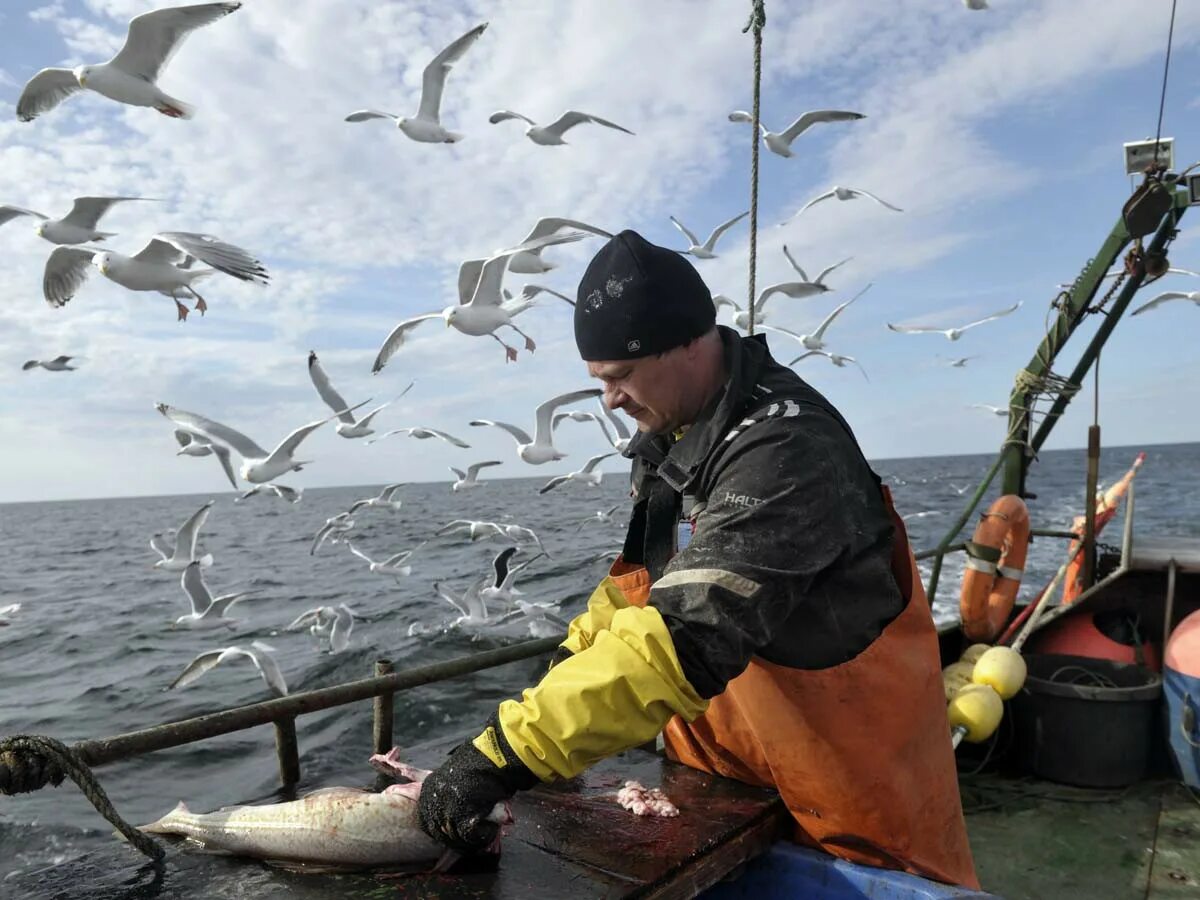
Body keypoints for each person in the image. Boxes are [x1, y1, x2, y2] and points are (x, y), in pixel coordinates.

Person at [417, 230, 979, 889]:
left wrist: (507, 754)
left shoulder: (788, 449)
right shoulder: (672, 437)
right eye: (598, 381)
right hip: (715, 792)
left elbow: (683, 634)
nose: (609, 401)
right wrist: (565, 679)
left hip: (854, 808)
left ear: (689, 342)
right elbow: (634, 590)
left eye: (620, 376)